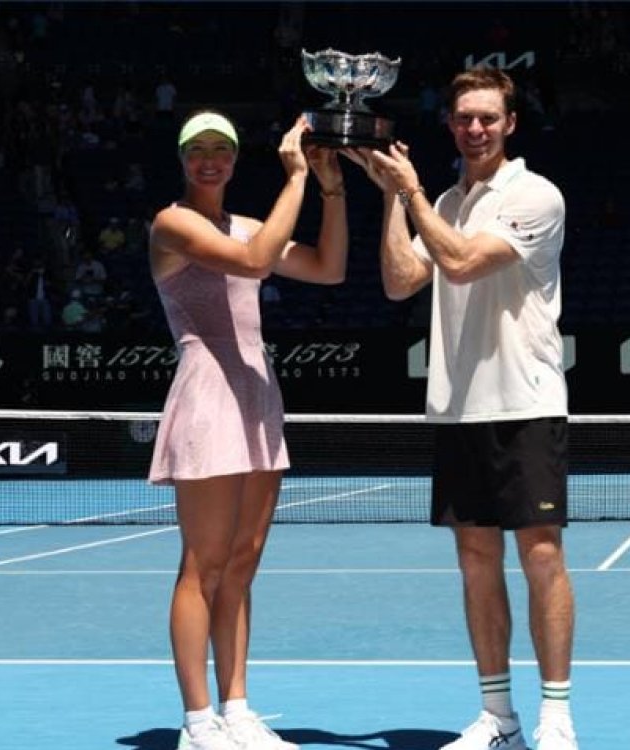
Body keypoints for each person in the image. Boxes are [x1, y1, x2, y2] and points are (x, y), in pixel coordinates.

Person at [345, 67, 577, 750]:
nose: (475, 128)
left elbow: (466, 262)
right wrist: (394, 198)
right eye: (463, 118)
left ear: (510, 124)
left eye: (487, 118)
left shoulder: (536, 195)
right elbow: (398, 281)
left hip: (525, 403)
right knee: (476, 561)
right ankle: (498, 717)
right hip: (457, 409)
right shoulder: (441, 201)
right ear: (450, 124)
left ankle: (556, 716)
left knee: (541, 557)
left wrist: (411, 191)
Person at [147, 110, 348, 750]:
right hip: (207, 397)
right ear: (183, 159)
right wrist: (295, 177)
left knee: (240, 565)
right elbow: (256, 263)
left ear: (234, 159)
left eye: (222, 150)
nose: (210, 160)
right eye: (198, 150)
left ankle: (236, 710)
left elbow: (329, 267)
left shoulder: (249, 225)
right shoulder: (172, 224)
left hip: (258, 398)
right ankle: (198, 723)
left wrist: (330, 187)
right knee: (201, 566)